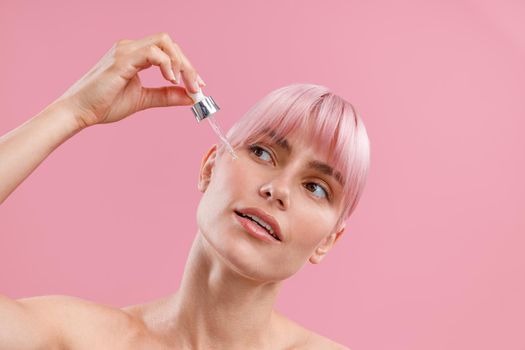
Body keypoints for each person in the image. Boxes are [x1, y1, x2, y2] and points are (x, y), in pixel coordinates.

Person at [0, 32, 370, 349]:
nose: (277, 189)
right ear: (210, 168)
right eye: (262, 152)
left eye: (316, 188)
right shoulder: (83, 339)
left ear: (328, 241)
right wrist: (73, 111)